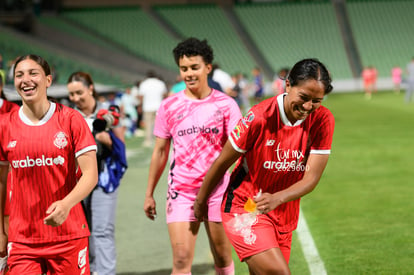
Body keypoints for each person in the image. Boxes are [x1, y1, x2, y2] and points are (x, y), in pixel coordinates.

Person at [194, 58, 335, 274]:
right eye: (304, 97)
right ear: (288, 85)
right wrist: (201, 201)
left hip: (283, 212)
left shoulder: (323, 120)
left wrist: (278, 198)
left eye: (317, 101)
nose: (308, 107)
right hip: (245, 207)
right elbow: (222, 161)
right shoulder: (259, 117)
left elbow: (311, 178)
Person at [143, 37, 241, 275]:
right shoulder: (168, 106)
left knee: (222, 255)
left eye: (194, 67)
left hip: (218, 189)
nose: (189, 73)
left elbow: (238, 151)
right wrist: (149, 193)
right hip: (182, 191)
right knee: (181, 259)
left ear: (208, 67)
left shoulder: (226, 105)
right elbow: (160, 151)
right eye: (184, 68)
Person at [0, 54, 98, 274]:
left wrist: (66, 204)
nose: (26, 79)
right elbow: (1, 182)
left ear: (48, 80)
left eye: (33, 73)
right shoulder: (4, 126)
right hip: (23, 239)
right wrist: (1, 232)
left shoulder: (71, 119)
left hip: (68, 235)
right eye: (19, 75)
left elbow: (90, 174)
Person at [67, 72, 128, 275]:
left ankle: (105, 272)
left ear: (90, 88)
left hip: (104, 178)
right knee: (85, 231)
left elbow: (121, 146)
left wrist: (106, 139)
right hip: (78, 180)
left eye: (79, 92)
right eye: (71, 94)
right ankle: (91, 270)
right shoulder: (68, 115)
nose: (75, 98)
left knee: (102, 231)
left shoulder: (109, 112)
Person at [138, 70, 168, 147]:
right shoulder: (160, 83)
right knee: (158, 124)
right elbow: (165, 95)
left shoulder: (144, 84)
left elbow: (141, 96)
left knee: (148, 125)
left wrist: (140, 106)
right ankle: (158, 140)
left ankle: (148, 140)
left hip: (147, 107)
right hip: (158, 106)